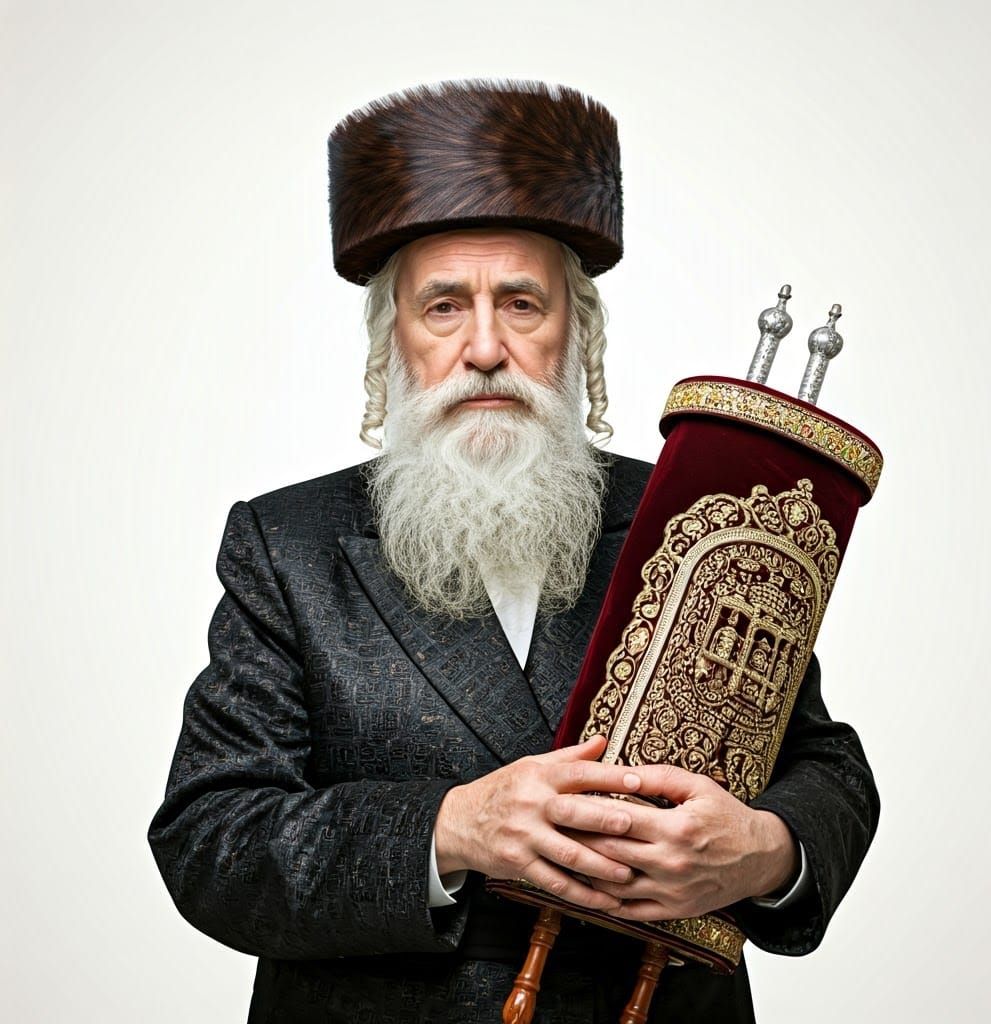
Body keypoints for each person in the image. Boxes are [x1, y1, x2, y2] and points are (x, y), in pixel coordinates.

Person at [149, 81, 878, 1024]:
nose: (485, 348)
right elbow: (211, 840)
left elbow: (826, 767)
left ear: (579, 336)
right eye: (444, 307)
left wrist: (768, 848)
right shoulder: (288, 546)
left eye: (522, 304)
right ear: (394, 344)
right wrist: (451, 829)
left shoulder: (699, 514)